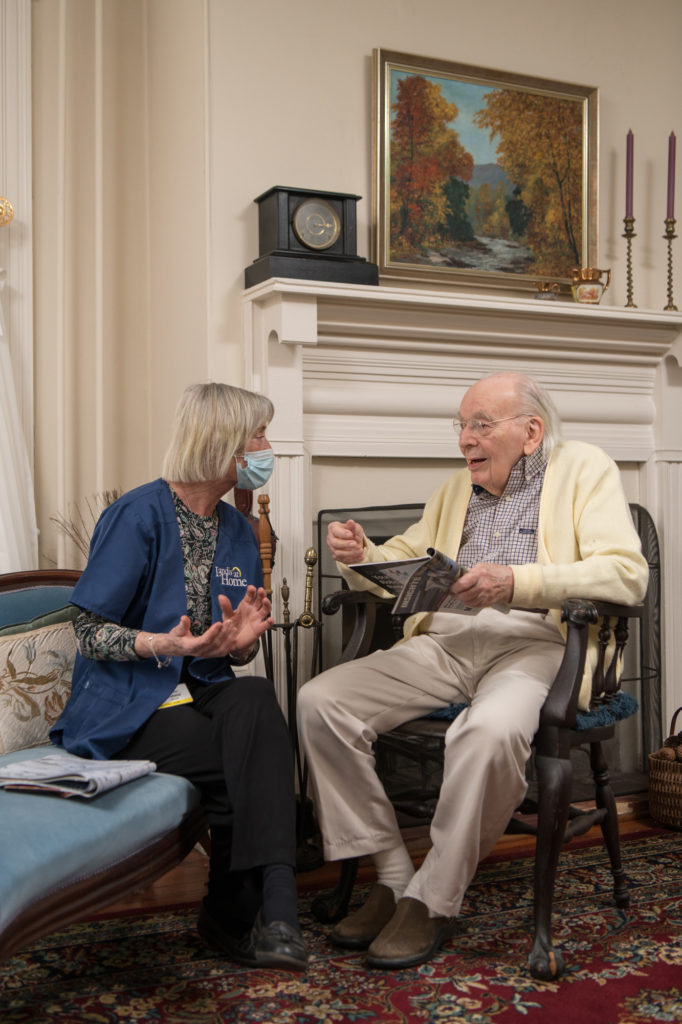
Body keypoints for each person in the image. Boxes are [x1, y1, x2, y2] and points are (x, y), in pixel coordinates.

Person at [297, 371, 648, 970]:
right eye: (461, 425)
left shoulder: (585, 469)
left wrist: (516, 582)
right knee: (321, 701)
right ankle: (390, 873)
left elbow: (626, 574)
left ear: (530, 432)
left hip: (537, 643)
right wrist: (364, 557)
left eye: (480, 425)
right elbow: (406, 560)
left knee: (487, 733)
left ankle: (433, 898)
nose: (465, 440)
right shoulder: (456, 489)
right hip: (447, 641)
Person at [50, 382, 307, 972]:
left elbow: (223, 649)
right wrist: (160, 642)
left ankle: (262, 911)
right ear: (222, 443)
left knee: (256, 694)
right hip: (128, 705)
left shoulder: (238, 527)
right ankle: (262, 911)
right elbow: (87, 631)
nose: (268, 448)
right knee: (250, 754)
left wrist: (240, 645)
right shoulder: (137, 515)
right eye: (259, 435)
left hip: (204, 694)